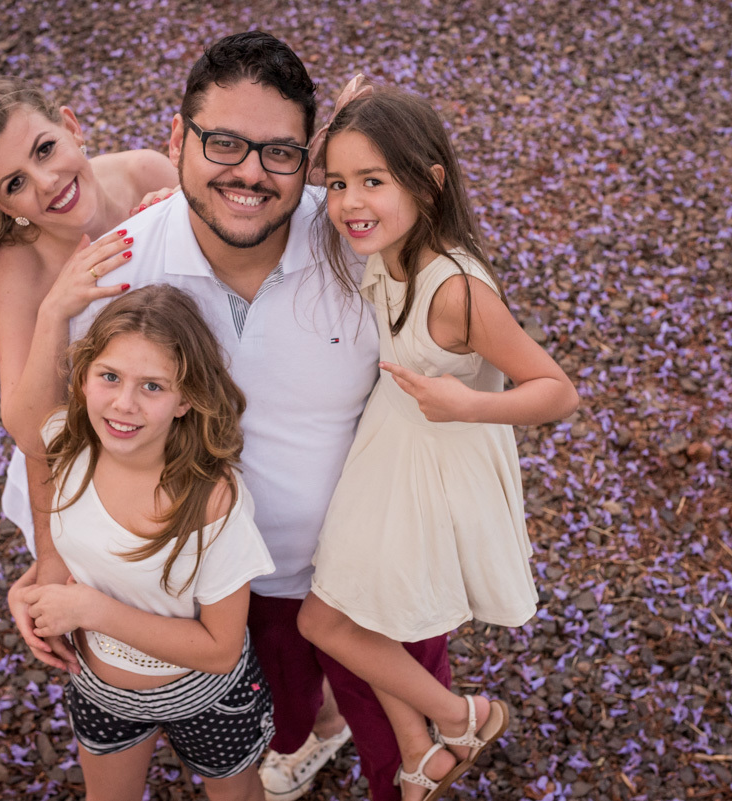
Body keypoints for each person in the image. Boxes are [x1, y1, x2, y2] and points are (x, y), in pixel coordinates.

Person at [6, 33, 448, 801]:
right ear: (177, 140)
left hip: (364, 574)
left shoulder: (361, 246)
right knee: (274, 725)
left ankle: (341, 724)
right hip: (216, 595)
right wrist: (50, 555)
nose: (248, 172)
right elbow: (59, 436)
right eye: (222, 143)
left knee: (409, 757)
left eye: (278, 152)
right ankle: (315, 730)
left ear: (309, 159)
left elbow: (458, 332)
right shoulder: (118, 267)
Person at [295, 85, 580, 801]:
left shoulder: (457, 290)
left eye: (373, 181)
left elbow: (557, 389)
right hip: (388, 447)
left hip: (431, 463)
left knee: (324, 619)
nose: (349, 203)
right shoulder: (384, 237)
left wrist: (470, 402)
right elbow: (300, 176)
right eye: (339, 183)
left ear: (429, 182)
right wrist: (341, 126)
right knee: (363, 611)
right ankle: (420, 747)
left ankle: (466, 714)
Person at [0, 78, 178, 672]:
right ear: (0, 206)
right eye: (14, 183)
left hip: (185, 417)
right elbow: (27, 430)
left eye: (44, 149)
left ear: (72, 125)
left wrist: (176, 217)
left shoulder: (148, 174)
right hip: (88, 460)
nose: (45, 183)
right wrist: (55, 310)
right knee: (137, 637)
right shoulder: (19, 266)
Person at [19, 285, 276, 801]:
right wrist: (27, 586)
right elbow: (24, 430)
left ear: (186, 400)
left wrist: (91, 611)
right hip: (99, 687)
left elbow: (222, 651)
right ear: (83, 377)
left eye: (153, 386)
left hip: (206, 695)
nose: (123, 404)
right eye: (109, 376)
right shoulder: (64, 449)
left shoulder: (210, 502)